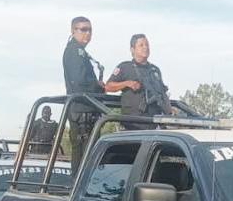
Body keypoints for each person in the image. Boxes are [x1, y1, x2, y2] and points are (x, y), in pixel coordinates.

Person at [63, 16, 104, 170]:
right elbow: (79, 81)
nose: (87, 33)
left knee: (89, 157)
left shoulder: (81, 52)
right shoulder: (74, 51)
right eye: (83, 29)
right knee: (83, 158)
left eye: (90, 30)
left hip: (86, 109)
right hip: (81, 111)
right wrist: (97, 85)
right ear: (73, 31)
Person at [105, 34, 171, 130]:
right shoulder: (125, 67)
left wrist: (169, 111)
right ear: (132, 49)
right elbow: (108, 87)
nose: (145, 48)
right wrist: (126, 83)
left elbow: (163, 93)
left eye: (147, 45)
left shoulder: (154, 70)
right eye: (141, 45)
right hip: (133, 125)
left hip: (154, 123)